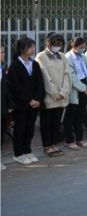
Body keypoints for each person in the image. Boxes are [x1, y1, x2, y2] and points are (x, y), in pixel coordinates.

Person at [6, 37, 44, 165]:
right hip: (21, 104)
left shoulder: (34, 64)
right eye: (30, 47)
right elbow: (16, 87)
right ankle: (18, 153)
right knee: (20, 129)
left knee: (30, 128)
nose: (33, 49)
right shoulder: (15, 66)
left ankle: (27, 150)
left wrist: (38, 99)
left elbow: (40, 83)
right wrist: (29, 99)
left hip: (34, 104)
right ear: (22, 49)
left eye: (33, 46)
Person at [37, 33, 72, 156]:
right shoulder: (41, 57)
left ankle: (54, 144)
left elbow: (68, 74)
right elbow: (45, 77)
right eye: (56, 44)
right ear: (48, 43)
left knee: (56, 122)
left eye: (60, 45)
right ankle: (47, 145)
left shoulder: (62, 56)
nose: (58, 47)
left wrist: (64, 91)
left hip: (61, 96)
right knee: (46, 122)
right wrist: (54, 93)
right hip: (49, 97)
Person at [64, 37, 87, 150]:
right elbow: (71, 76)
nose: (83, 49)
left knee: (80, 115)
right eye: (81, 47)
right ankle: (69, 140)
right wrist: (83, 88)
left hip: (85, 87)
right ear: (74, 46)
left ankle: (79, 138)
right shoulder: (68, 57)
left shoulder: (84, 57)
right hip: (75, 89)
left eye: (84, 47)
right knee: (71, 116)